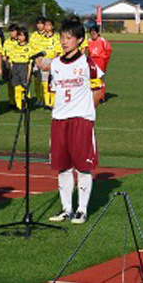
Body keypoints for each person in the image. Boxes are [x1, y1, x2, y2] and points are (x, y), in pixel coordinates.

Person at [48, 19, 103, 225]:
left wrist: (87, 112)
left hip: (81, 120)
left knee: (82, 166)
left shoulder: (88, 64)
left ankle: (82, 209)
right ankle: (66, 209)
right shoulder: (55, 64)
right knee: (62, 167)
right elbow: (54, 90)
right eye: (62, 37)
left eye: (69, 38)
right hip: (59, 119)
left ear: (80, 40)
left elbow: (97, 91)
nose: (64, 41)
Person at [36, 19, 62, 109]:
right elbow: (39, 52)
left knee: (53, 82)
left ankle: (53, 102)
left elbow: (57, 52)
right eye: (45, 25)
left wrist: (52, 64)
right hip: (44, 60)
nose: (47, 27)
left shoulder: (56, 37)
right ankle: (47, 103)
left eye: (49, 25)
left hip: (53, 60)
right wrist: (40, 62)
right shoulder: (41, 38)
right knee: (44, 83)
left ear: (52, 27)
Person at [9, 28, 33, 111]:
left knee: (24, 87)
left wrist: (29, 74)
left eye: (22, 35)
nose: (20, 37)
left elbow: (30, 62)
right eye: (19, 35)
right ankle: (19, 106)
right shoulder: (14, 46)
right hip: (16, 67)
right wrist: (12, 71)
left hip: (24, 66)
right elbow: (11, 60)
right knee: (17, 88)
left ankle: (25, 105)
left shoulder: (29, 47)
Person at [86, 27, 112, 103]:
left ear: (98, 33)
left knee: (101, 79)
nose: (93, 34)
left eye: (94, 33)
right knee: (91, 79)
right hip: (91, 61)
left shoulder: (102, 41)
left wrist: (105, 60)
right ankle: (92, 96)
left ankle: (102, 97)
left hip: (100, 61)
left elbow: (108, 51)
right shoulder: (88, 41)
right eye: (91, 33)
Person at [31, 17, 46, 106]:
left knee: (45, 81)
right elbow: (32, 48)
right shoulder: (33, 35)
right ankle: (38, 98)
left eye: (41, 23)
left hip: (46, 60)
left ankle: (45, 98)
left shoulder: (47, 35)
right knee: (37, 81)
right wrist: (36, 59)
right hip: (36, 60)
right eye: (38, 24)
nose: (40, 25)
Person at [2, 24, 19, 108]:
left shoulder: (20, 41)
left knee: (18, 83)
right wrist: (4, 57)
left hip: (17, 63)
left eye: (14, 31)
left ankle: (18, 101)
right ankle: (11, 101)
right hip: (8, 63)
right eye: (11, 31)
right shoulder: (7, 41)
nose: (12, 33)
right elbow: (3, 52)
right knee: (9, 83)